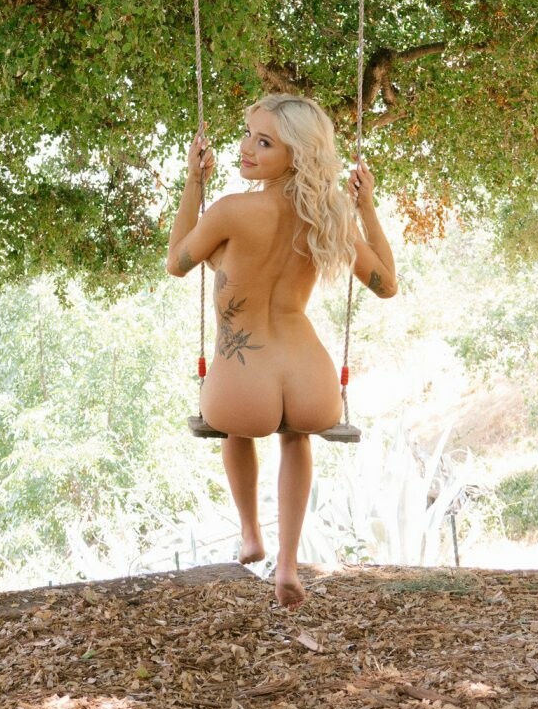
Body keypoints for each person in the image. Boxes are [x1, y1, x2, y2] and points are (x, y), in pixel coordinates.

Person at [166, 93, 397, 608]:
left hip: (243, 376)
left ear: (297, 154)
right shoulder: (327, 217)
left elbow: (177, 261)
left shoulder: (232, 211)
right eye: (248, 134)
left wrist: (193, 182)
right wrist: (365, 206)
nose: (246, 148)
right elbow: (386, 284)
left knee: (236, 431)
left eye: (265, 142)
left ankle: (251, 533)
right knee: (296, 438)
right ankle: (288, 565)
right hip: (309, 374)